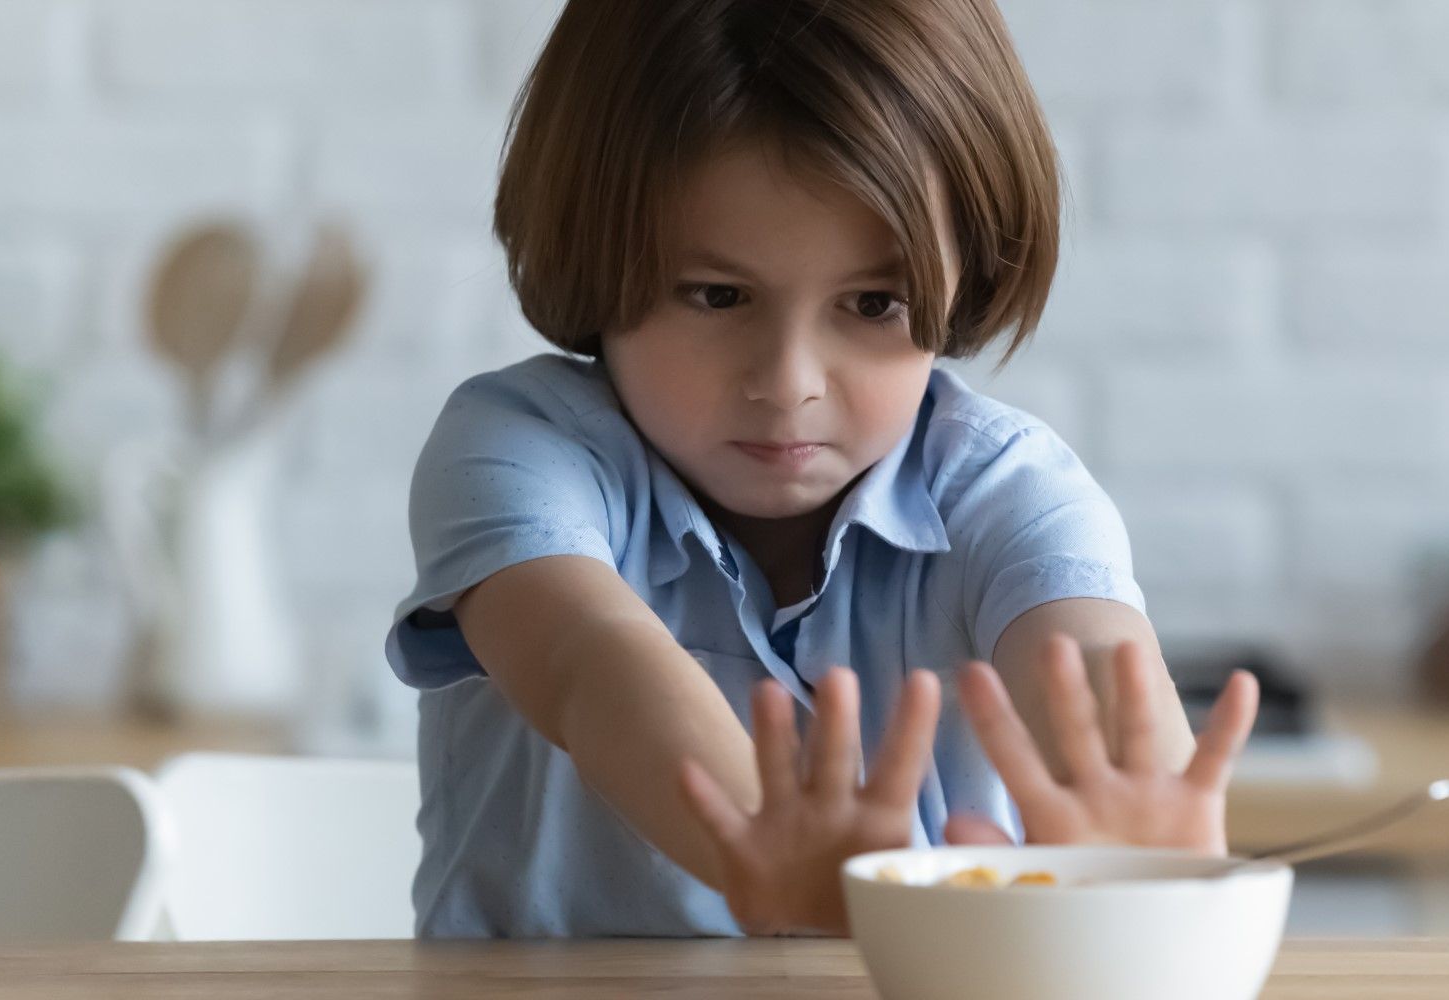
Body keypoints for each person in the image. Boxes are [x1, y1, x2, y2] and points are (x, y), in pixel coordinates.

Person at [385, 0, 1260, 938]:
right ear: (596, 253)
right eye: (717, 296)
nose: (788, 383)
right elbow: (583, 659)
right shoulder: (514, 445)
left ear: (963, 275)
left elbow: (1084, 657)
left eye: (873, 303)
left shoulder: (1009, 489)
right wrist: (766, 842)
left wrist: (1143, 824)